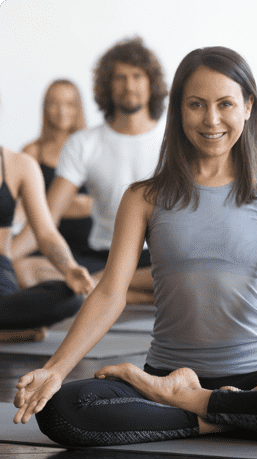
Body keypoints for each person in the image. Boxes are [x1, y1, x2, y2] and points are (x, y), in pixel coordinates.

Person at [12, 47, 257, 447]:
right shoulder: (143, 197)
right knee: (61, 412)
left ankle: (188, 402)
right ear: (179, 110)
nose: (211, 120)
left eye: (225, 104)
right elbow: (110, 291)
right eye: (196, 105)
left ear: (248, 107)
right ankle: (226, 411)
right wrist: (55, 370)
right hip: (164, 373)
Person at [12, 37, 168, 304]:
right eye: (120, 77)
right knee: (23, 269)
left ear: (151, 82)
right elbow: (47, 218)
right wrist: (6, 257)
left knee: (189, 273)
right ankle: (118, 290)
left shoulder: (173, 139)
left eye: (137, 76)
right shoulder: (84, 143)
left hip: (157, 259)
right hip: (101, 257)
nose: (129, 85)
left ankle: (105, 290)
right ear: (107, 84)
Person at [0, 94, 95, 343]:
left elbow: (45, 232)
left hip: (1, 281)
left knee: (68, 296)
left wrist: (69, 268)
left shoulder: (19, 165)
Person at [14, 79, 92, 288]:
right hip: (40, 241)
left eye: (69, 104)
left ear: (78, 108)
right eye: (54, 103)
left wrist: (41, 208)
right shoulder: (32, 152)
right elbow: (19, 205)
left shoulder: (90, 148)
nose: (61, 111)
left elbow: (92, 205)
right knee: (18, 270)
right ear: (45, 107)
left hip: (86, 243)